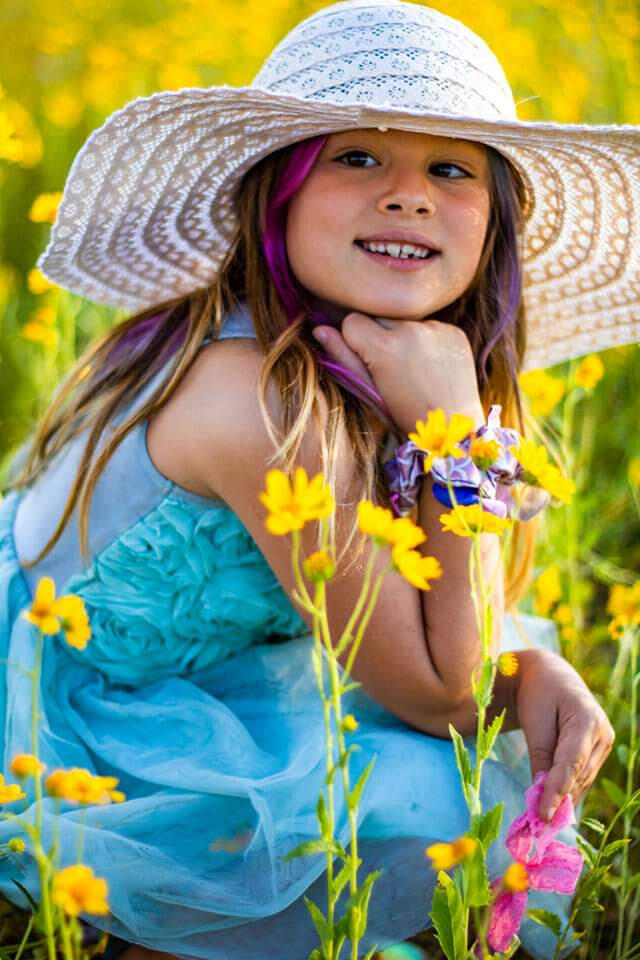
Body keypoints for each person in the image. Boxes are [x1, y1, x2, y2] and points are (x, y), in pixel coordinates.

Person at [1, 0, 634, 957]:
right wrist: (456, 440)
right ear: (278, 194)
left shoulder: (368, 361)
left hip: (217, 668)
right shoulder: (257, 403)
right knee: (435, 808)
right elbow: (441, 695)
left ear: (492, 226)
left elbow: (442, 634)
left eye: (451, 169)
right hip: (72, 697)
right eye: (358, 156)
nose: (408, 195)